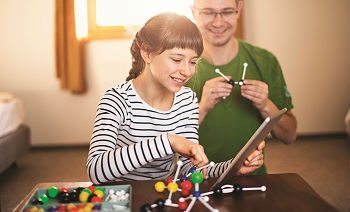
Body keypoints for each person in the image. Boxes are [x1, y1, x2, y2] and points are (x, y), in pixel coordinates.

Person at [87, 12, 264, 184]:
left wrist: (233, 167)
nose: (187, 71)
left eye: (193, 62)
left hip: (166, 195)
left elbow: (191, 170)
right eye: (177, 59)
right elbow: (96, 171)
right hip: (124, 197)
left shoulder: (186, 100)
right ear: (147, 53)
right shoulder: (116, 100)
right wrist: (168, 141)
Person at [186, 0, 297, 174]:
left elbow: (289, 136)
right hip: (196, 181)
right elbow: (166, 142)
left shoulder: (265, 61)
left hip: (252, 180)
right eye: (208, 12)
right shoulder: (179, 67)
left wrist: (265, 105)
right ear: (193, 13)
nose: (218, 22)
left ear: (239, 10)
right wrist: (202, 107)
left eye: (227, 11)